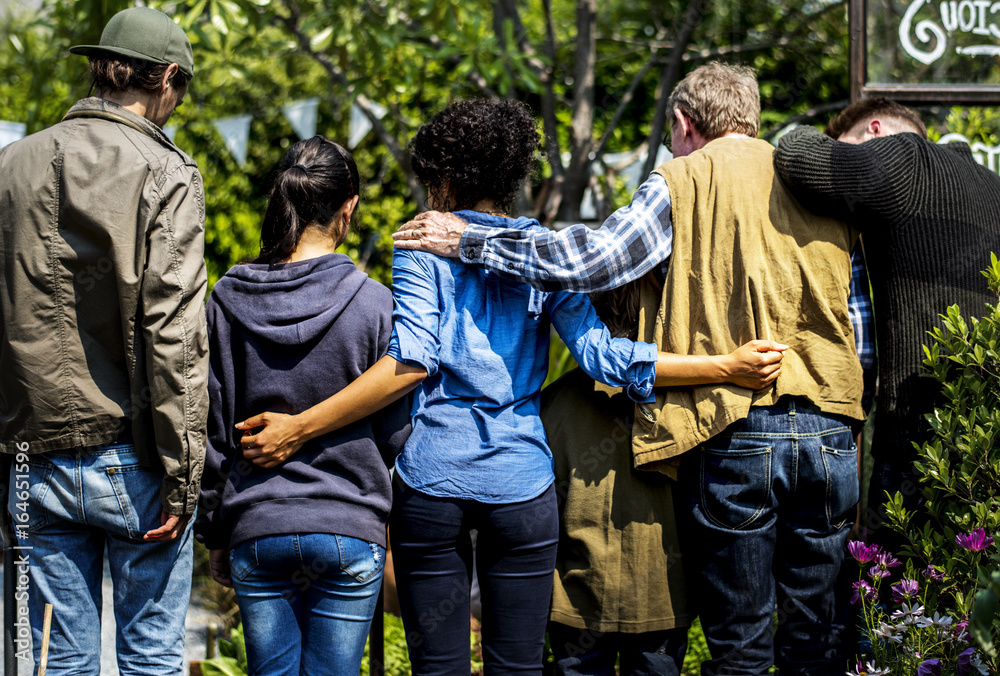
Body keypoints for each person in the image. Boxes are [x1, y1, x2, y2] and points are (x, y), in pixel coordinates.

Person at [235, 99, 786, 676]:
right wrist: (725, 365)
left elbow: (414, 356)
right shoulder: (545, 252)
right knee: (518, 668)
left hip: (431, 479)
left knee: (438, 668)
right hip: (522, 485)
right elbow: (606, 360)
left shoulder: (420, 243)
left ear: (444, 179)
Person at [391, 64, 872, 674]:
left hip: (740, 425)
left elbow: (598, 259)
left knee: (743, 643)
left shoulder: (682, 178)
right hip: (832, 423)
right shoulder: (815, 179)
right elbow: (857, 321)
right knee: (817, 637)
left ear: (682, 123)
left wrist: (471, 242)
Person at [0, 7, 207, 674]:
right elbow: (172, 335)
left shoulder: (10, 166)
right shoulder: (165, 172)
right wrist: (184, 477)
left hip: (30, 456)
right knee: (151, 657)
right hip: (136, 457)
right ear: (167, 76)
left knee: (61, 659)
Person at [195, 136, 410, 676]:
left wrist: (217, 534)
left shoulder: (225, 299)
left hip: (257, 524)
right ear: (349, 207)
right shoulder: (376, 303)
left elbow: (212, 427)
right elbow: (397, 434)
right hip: (348, 525)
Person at [773, 98, 1000, 544]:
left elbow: (799, 156)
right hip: (987, 441)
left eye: (852, 147)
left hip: (920, 442)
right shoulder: (993, 186)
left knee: (898, 597)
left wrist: (813, 137)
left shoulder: (905, 158)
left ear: (875, 130)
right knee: (969, 597)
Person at [541, 284, 691, 676]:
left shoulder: (552, 403)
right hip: (662, 600)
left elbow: (541, 512)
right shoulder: (680, 399)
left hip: (575, 602)